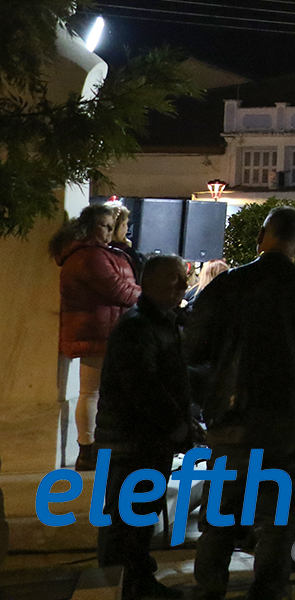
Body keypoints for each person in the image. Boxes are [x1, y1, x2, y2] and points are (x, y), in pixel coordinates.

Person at [186, 207, 295, 600]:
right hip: (289, 415)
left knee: (221, 512)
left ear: (261, 237)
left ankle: (209, 589)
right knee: (278, 515)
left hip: (232, 416)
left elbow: (193, 347)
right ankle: (268, 591)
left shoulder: (228, 285)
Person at [94, 254, 194, 600]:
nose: (183, 286)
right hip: (133, 442)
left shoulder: (158, 323)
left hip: (144, 441)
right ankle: (124, 585)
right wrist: (176, 424)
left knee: (137, 517)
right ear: (149, 282)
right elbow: (144, 386)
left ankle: (134, 580)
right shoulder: (139, 327)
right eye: (175, 279)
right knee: (128, 518)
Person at [53, 203, 140, 471]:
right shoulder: (89, 257)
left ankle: (92, 447)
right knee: (90, 393)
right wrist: (146, 294)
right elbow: (118, 290)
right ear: (90, 226)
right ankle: (87, 449)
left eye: (111, 227)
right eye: (104, 226)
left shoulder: (97, 254)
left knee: (94, 392)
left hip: (102, 329)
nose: (108, 232)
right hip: (95, 331)